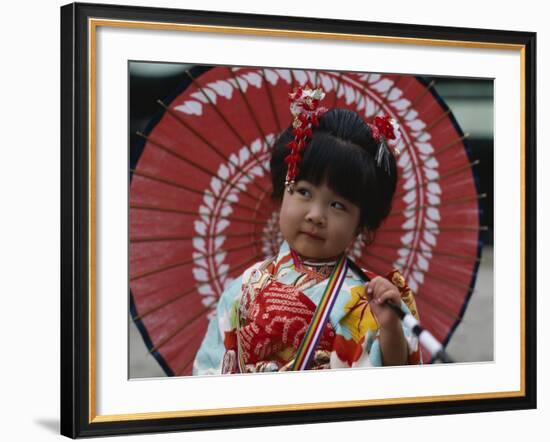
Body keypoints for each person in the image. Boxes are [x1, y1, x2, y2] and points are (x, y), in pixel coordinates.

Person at [193, 86, 421, 375]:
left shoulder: (376, 297)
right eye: (303, 191)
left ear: (361, 223)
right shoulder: (241, 290)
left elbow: (399, 382)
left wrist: (390, 326)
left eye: (338, 205)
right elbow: (210, 371)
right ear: (281, 192)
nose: (316, 215)